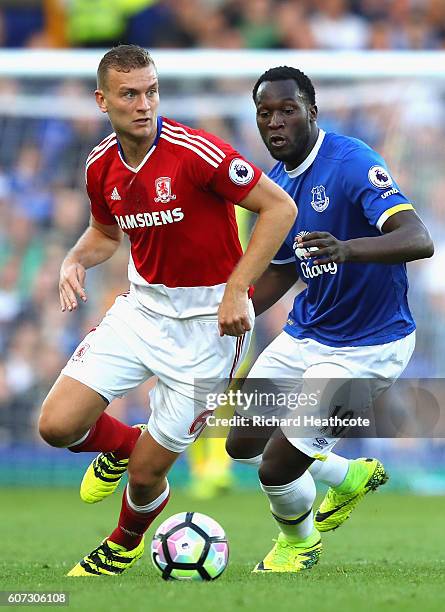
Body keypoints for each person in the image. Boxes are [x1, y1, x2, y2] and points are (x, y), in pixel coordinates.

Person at [37, 46, 296, 577]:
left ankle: (123, 542)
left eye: (151, 91)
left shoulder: (196, 152)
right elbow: (106, 232)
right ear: (102, 101)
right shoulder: (99, 164)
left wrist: (236, 290)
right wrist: (74, 258)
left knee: (148, 474)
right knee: (55, 426)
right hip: (142, 311)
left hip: (210, 327)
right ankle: (125, 446)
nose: (143, 104)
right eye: (129, 94)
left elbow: (280, 208)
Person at [225, 65, 434, 573]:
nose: (275, 123)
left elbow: (418, 239)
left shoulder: (351, 162)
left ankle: (299, 545)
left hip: (370, 345)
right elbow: (279, 274)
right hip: (309, 332)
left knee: (276, 469)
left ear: (312, 112)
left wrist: (347, 249)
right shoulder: (275, 187)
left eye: (287, 111)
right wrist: (235, 312)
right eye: (265, 114)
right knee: (241, 443)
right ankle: (348, 477)